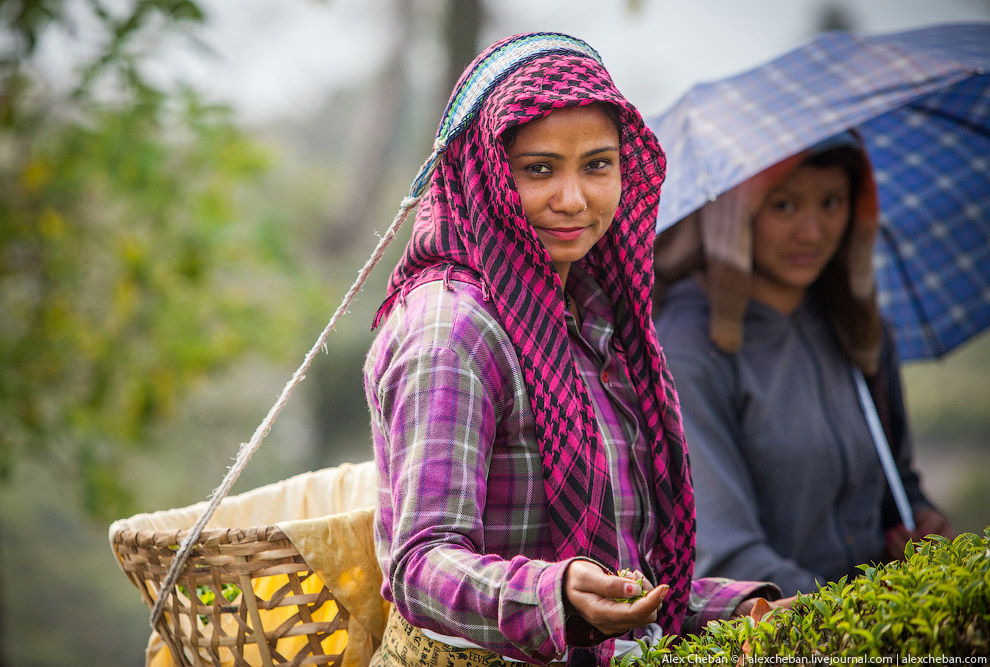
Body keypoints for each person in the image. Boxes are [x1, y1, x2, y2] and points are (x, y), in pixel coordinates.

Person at [363, 33, 782, 667]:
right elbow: (420, 565)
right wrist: (551, 593)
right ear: (484, 172)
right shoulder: (453, 330)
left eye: (597, 165)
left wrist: (735, 608)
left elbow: (620, 575)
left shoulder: (592, 316)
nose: (573, 199)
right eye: (539, 169)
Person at [652, 131, 954, 598]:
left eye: (831, 202)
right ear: (735, 212)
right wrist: (862, 613)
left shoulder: (857, 328)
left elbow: (896, 483)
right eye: (784, 206)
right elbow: (726, 555)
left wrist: (919, 522)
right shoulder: (687, 346)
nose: (812, 232)